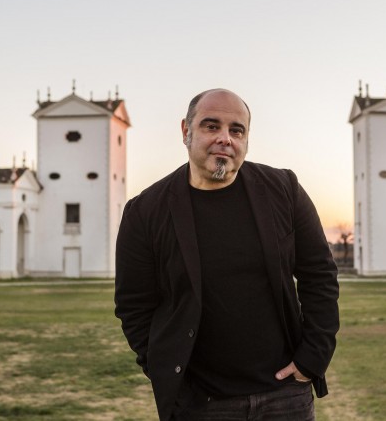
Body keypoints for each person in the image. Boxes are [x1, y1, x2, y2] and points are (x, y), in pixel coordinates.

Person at [115, 88, 340, 421]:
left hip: (284, 397)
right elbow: (134, 304)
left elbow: (319, 275)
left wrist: (313, 357)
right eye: (211, 126)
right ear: (185, 132)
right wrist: (164, 366)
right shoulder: (145, 211)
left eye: (237, 130)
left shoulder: (284, 189)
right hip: (200, 403)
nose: (225, 138)